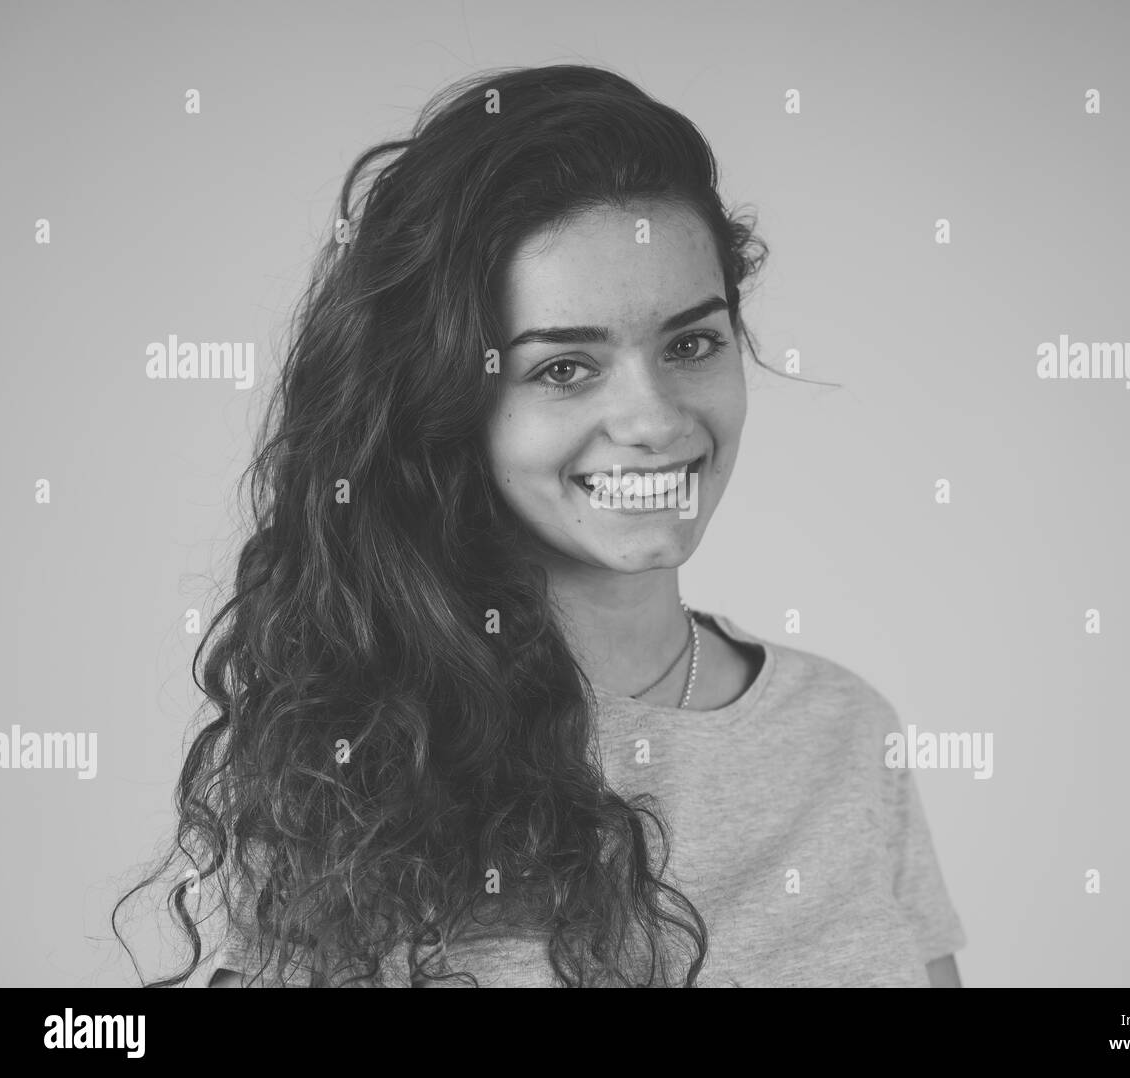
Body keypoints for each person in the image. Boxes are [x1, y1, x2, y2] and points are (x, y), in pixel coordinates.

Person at [114, 62, 967, 988]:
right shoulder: (351, 772)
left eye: (691, 344)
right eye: (565, 367)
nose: (655, 420)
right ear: (449, 402)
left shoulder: (842, 730)